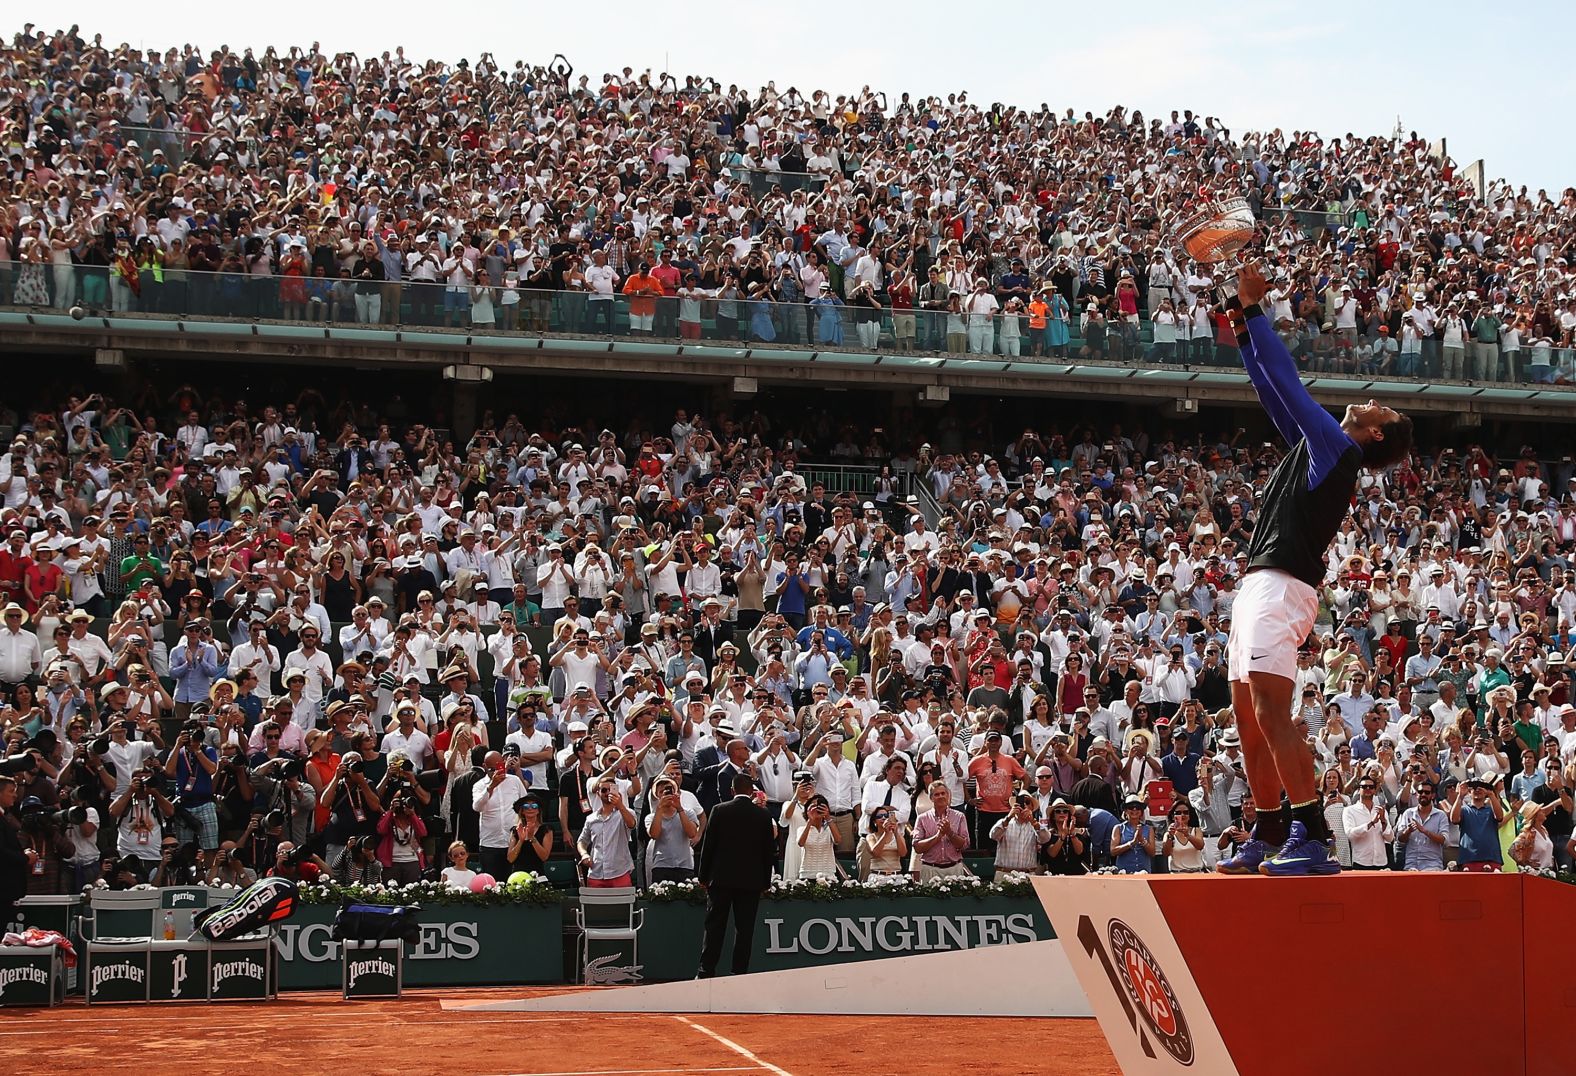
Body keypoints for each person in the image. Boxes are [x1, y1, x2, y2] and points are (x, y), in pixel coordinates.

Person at [1223, 262, 1412, 877]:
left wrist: (1256, 309)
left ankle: (1310, 836)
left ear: (1376, 435)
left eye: (1382, 408)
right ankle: (1270, 829)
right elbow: (1271, 388)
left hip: (1280, 586)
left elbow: (1291, 383)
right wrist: (1241, 324)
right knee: (1248, 723)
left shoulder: (1340, 447)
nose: (1373, 400)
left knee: (1272, 714)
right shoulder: (1323, 445)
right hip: (1262, 583)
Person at [696, 773, 776, 978]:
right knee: (745, 929)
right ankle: (738, 974)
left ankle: (705, 971)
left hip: (720, 880)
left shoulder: (719, 810)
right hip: (751, 882)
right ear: (752, 792)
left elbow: (708, 847)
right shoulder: (764, 815)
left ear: (732, 791)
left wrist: (703, 877)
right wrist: (765, 882)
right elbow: (769, 852)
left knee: (714, 927)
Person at [577, 779, 637, 887]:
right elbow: (581, 841)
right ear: (598, 794)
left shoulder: (627, 812)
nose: (608, 793)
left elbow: (631, 824)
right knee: (595, 904)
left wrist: (620, 805)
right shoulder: (591, 819)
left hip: (620, 872)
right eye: (604, 790)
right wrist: (584, 854)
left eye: (611, 790)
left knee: (623, 904)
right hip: (596, 873)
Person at [1450, 777, 1506, 872]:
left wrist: (1491, 794)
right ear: (1469, 791)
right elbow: (1454, 819)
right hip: (1469, 859)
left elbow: (1500, 817)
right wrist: (1460, 796)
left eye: (1481, 787)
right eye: (1474, 787)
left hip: (1491, 858)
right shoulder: (1464, 809)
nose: (1477, 790)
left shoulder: (1491, 810)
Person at [1395, 781, 1449, 871]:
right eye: (1420, 792)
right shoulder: (1408, 813)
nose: (1423, 794)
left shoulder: (1441, 815)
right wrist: (1408, 831)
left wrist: (1424, 831)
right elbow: (1400, 839)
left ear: (1433, 795)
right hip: (1411, 864)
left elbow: (1444, 840)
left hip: (1433, 865)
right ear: (1416, 795)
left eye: (1427, 792)